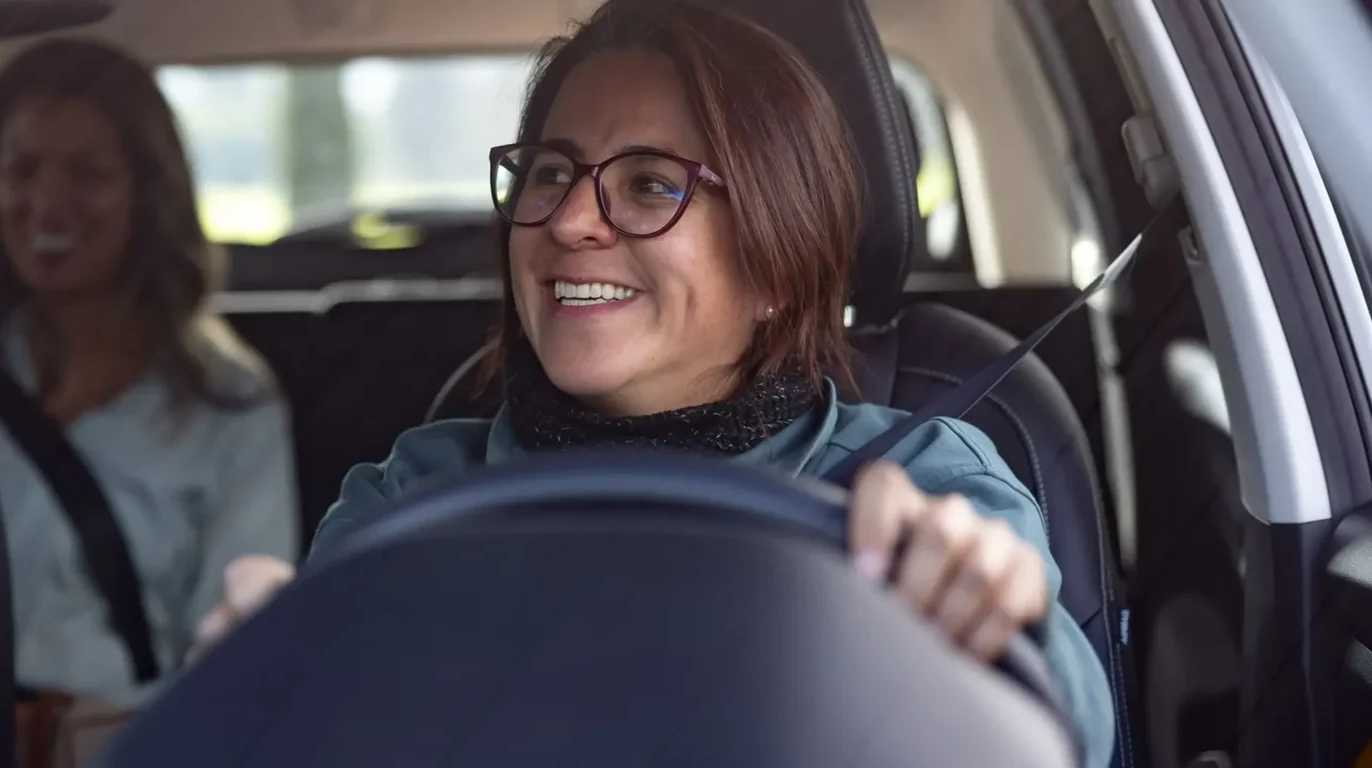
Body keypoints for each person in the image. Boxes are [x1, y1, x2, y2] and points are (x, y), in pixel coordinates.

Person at [192, 1, 1115, 765]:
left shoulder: (922, 485)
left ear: (776, 260)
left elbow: (1068, 732)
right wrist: (262, 688)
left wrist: (994, 620)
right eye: (552, 173)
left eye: (649, 185)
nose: (569, 222)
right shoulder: (415, 494)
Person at [0, 39, 299, 717]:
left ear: (148, 192)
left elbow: (237, 655)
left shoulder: (229, 402)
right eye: (21, 170)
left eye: (89, 173)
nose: (48, 207)